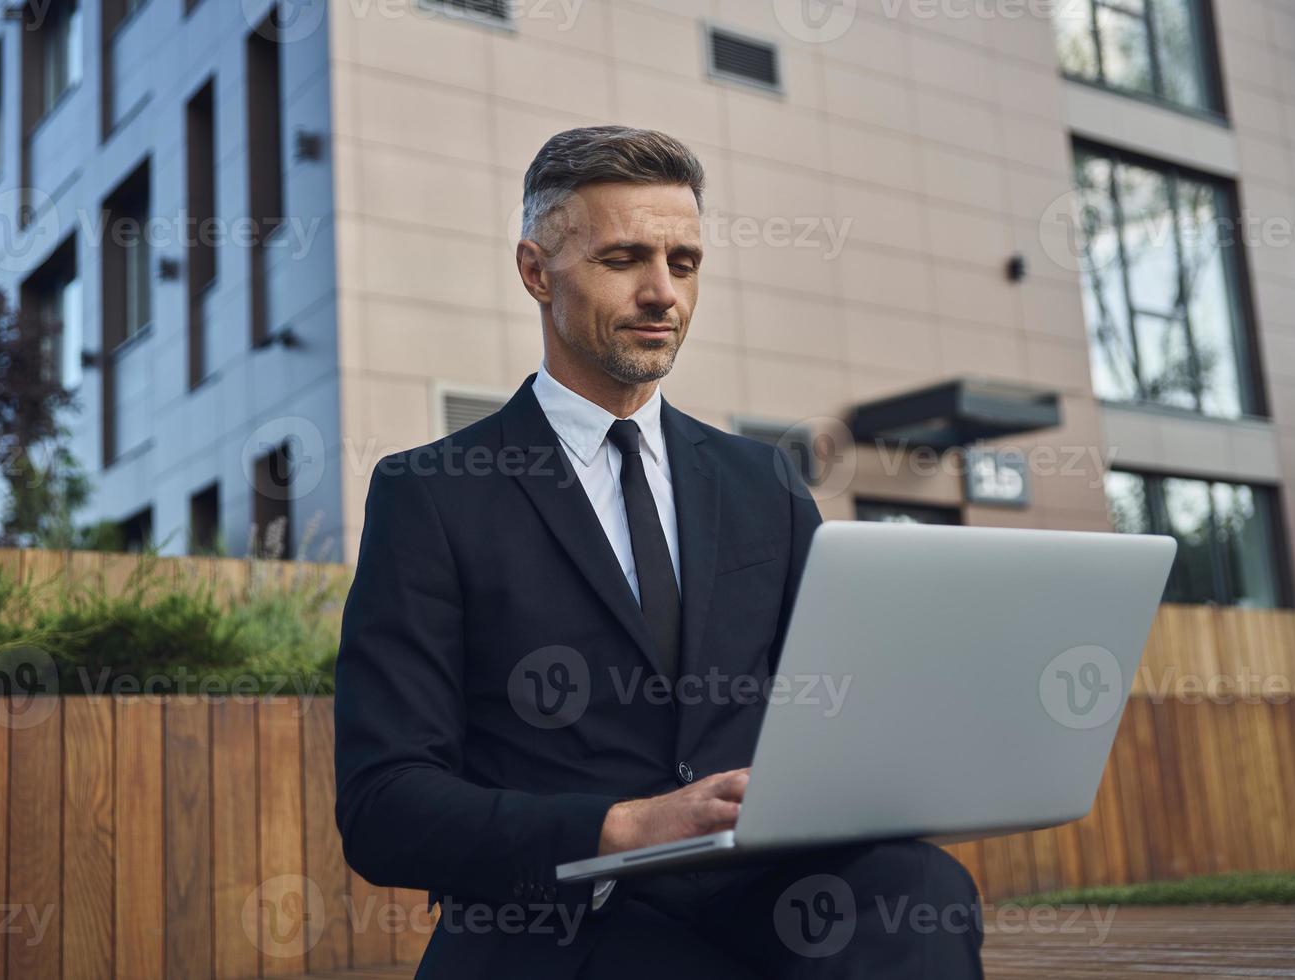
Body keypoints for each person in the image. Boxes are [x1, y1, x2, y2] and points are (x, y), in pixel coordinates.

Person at [334, 125, 984, 979]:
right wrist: (627, 826)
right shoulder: (432, 495)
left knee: (918, 890)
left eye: (683, 263)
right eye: (623, 259)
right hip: (560, 918)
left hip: (757, 890)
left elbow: (832, 713)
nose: (662, 293)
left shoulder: (766, 485)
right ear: (536, 271)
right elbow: (385, 807)